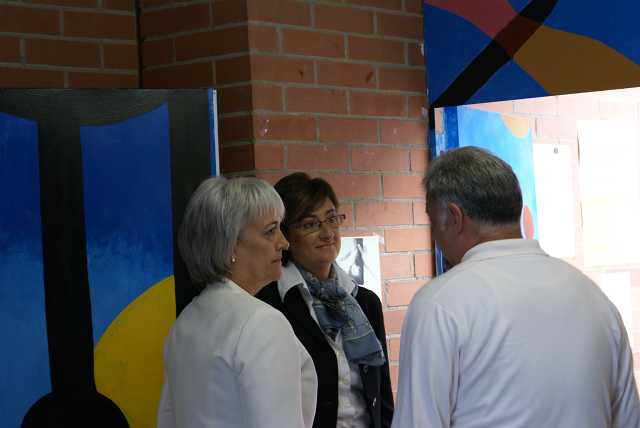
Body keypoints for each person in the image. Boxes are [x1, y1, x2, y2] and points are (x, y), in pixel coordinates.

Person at [391, 146, 640, 427]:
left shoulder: (439, 304)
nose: (435, 235)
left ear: (455, 217)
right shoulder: (596, 300)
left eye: (433, 221)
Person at [157, 176, 317, 428]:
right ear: (230, 244)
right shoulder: (262, 323)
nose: (284, 243)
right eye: (270, 231)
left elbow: (168, 419)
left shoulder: (185, 322)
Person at [256, 172, 394, 428]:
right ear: (286, 235)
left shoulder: (366, 302)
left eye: (332, 219)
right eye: (310, 224)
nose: (327, 233)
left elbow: (382, 395)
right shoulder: (270, 304)